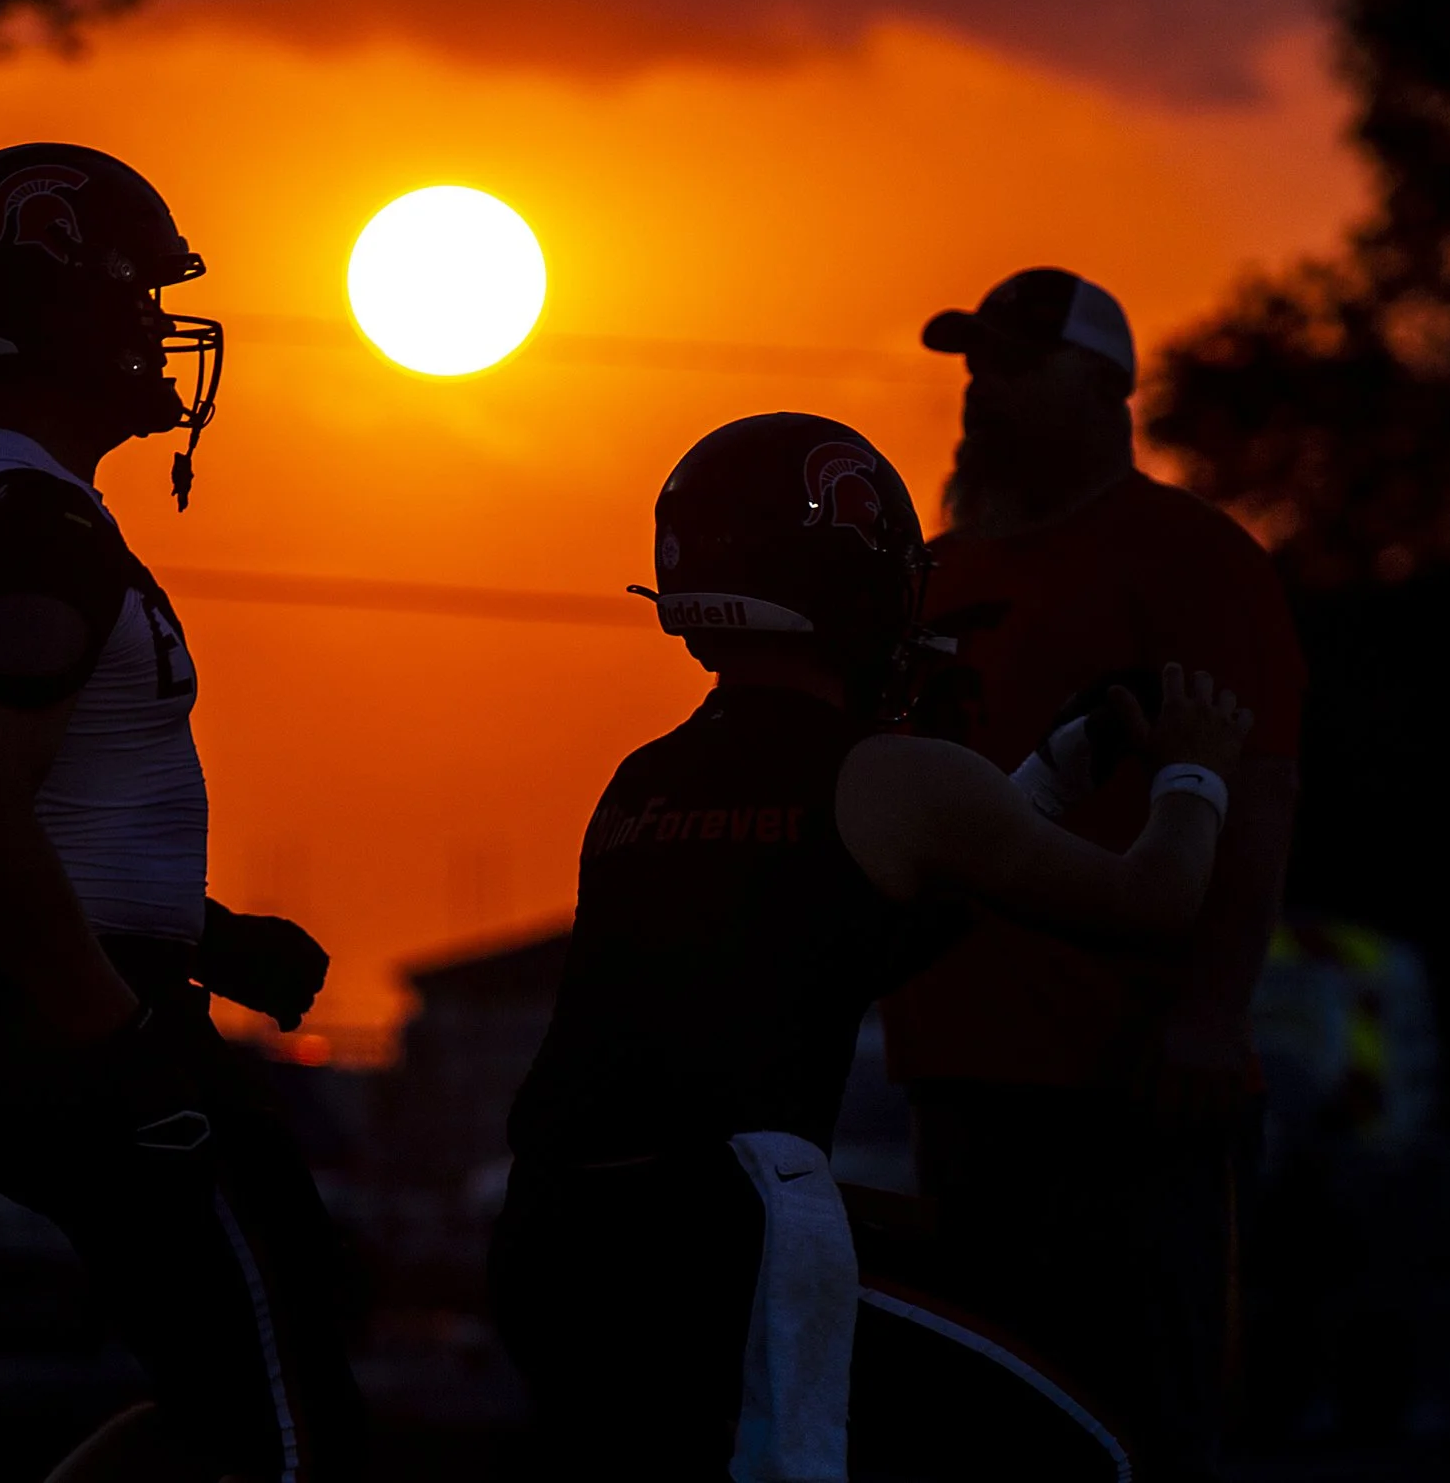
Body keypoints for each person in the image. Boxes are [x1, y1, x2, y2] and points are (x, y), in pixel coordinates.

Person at [490, 411, 1253, 1481]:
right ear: (859, 581)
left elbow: (838, 939)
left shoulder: (643, 777)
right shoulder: (893, 774)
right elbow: (1150, 899)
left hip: (558, 1239)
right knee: (1095, 1444)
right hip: (718, 1247)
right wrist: (1196, 769)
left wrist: (1048, 772)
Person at [0, 142, 365, 1483]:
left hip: (68, 1001)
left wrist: (203, 932)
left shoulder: (33, 519)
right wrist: (124, 1037)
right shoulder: (37, 532)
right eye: (130, 294)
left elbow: (44, 805)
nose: (158, 328)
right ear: (62, 310)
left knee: (233, 1397)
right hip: (66, 1020)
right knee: (295, 1430)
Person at [880, 267, 1307, 1482]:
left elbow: (1257, 794)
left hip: (1134, 1078)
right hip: (959, 1073)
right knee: (989, 1418)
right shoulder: (933, 575)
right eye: (973, 368)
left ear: (1104, 388)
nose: (981, 393)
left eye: (1013, 366)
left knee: (1152, 1418)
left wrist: (1210, 1014)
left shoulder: (1192, 556)